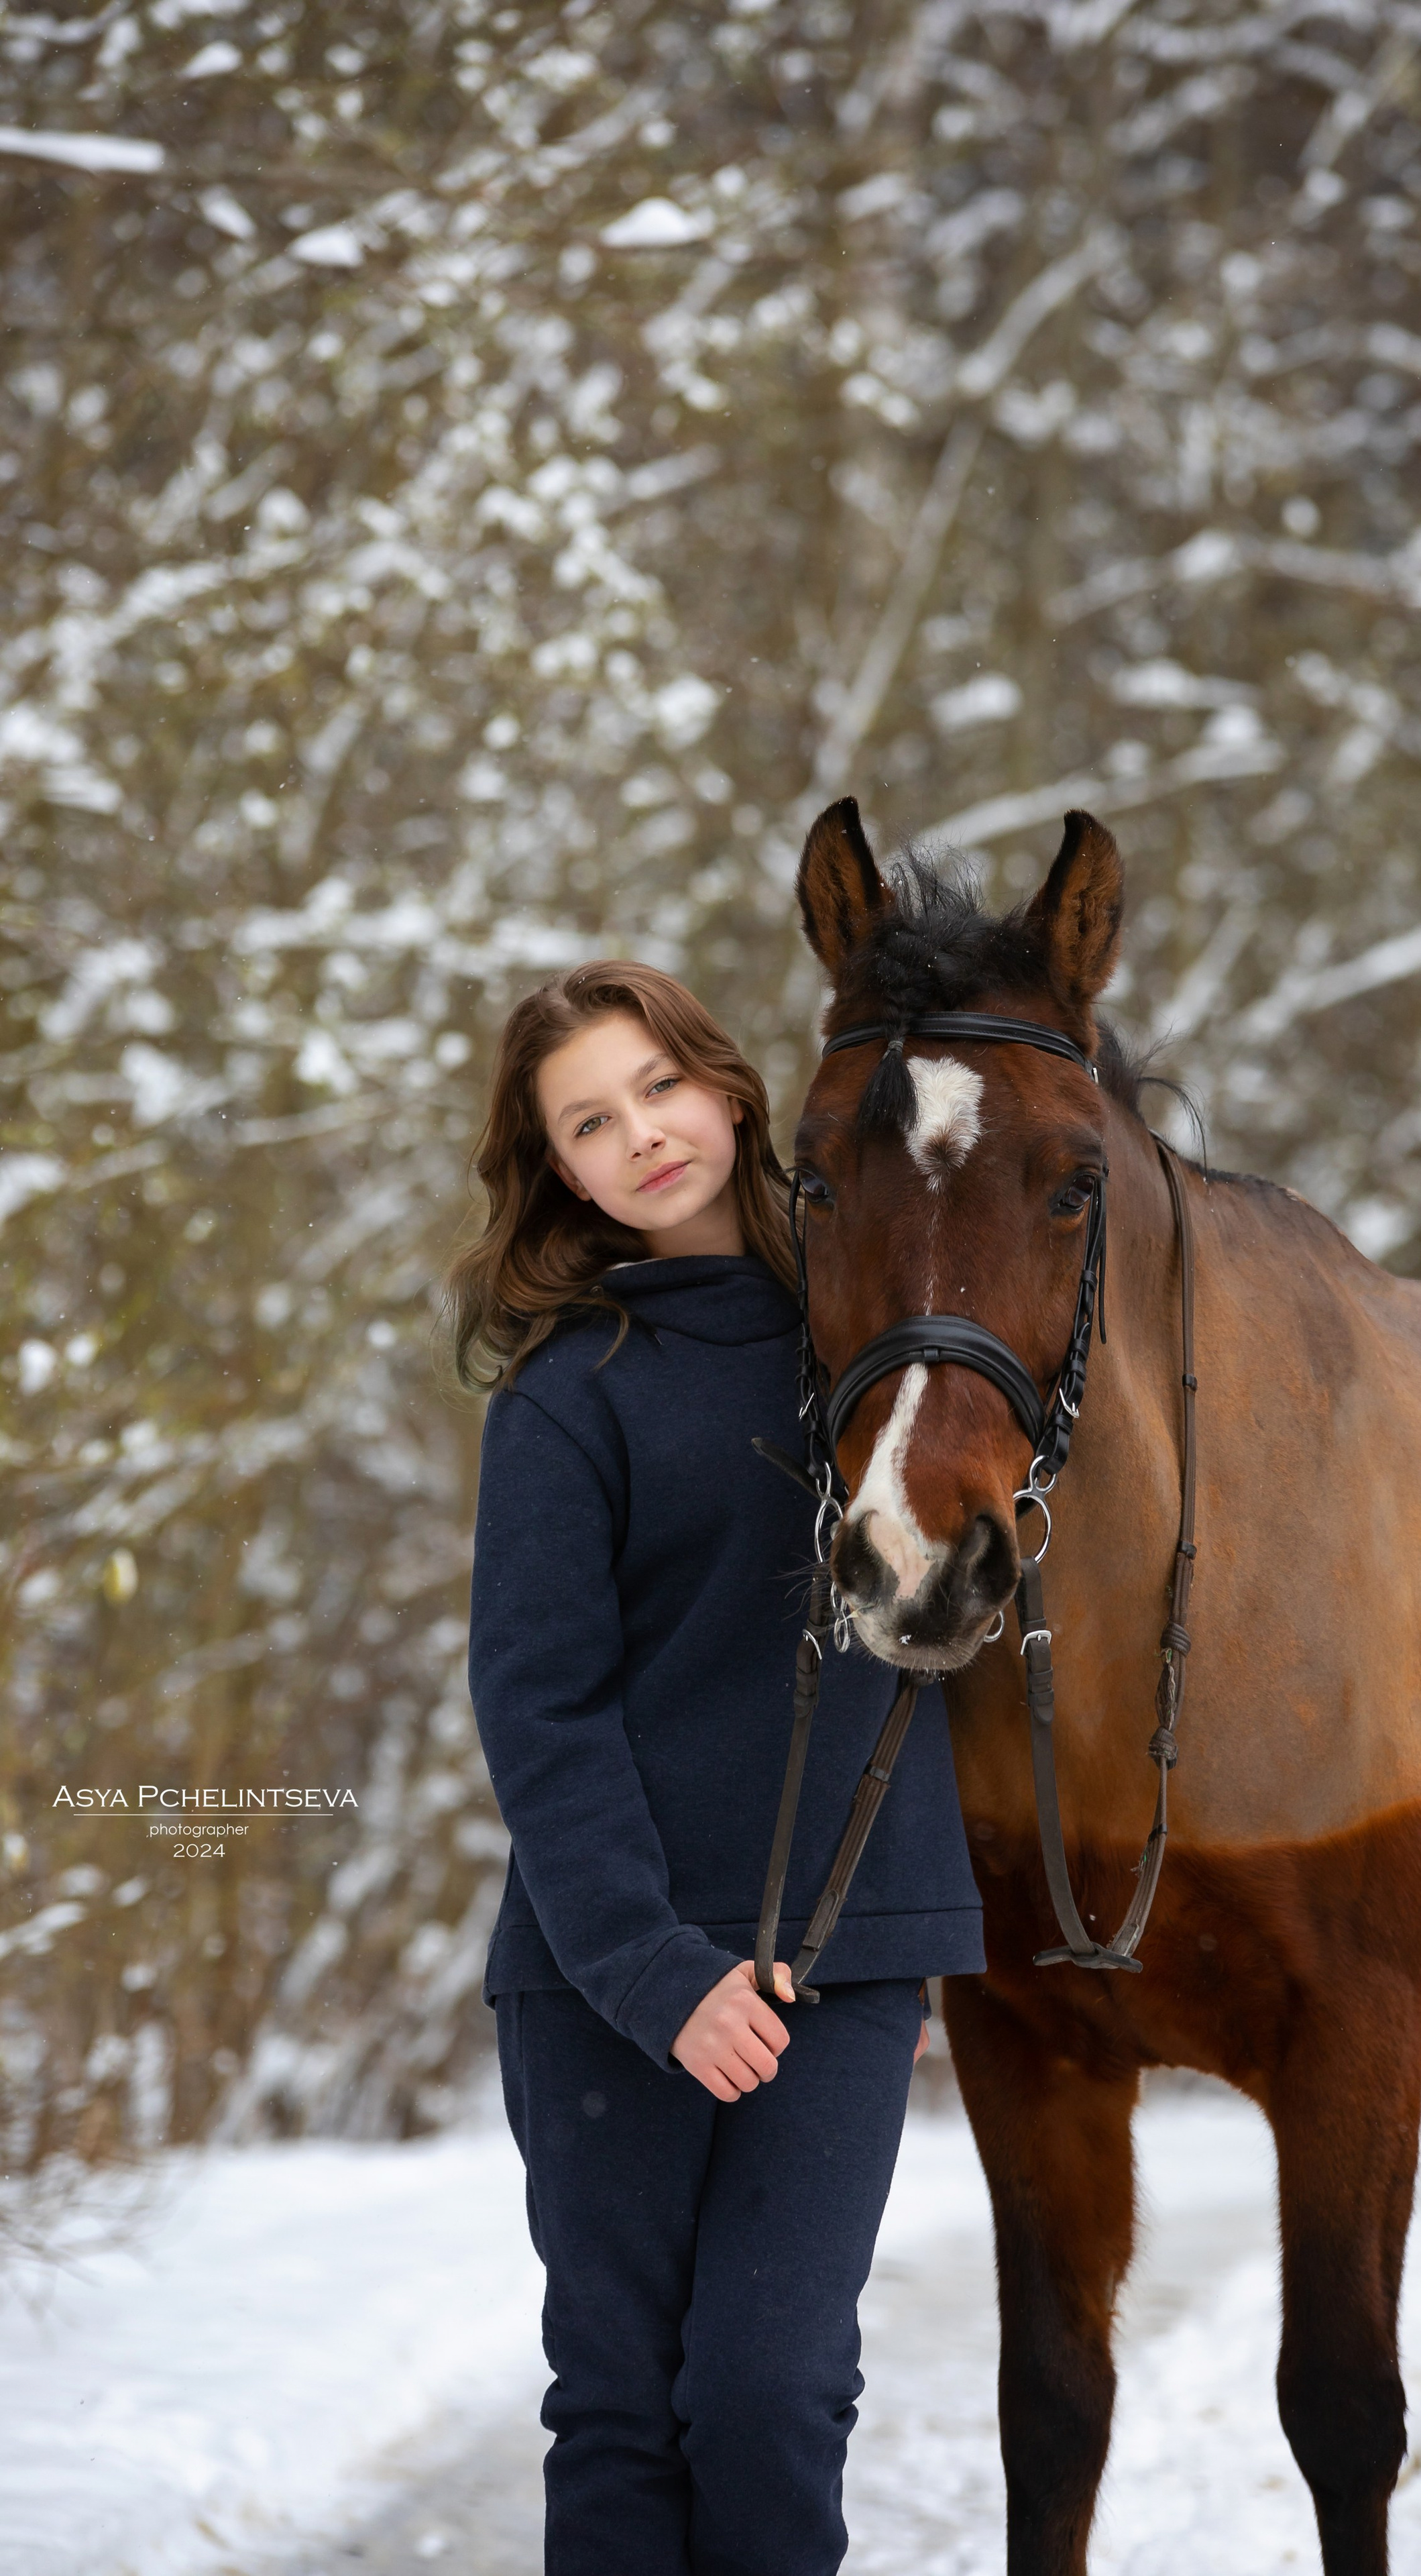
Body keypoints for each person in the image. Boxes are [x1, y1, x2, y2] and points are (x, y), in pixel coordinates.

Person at [444, 960, 985, 2576]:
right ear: (558, 1170)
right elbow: (539, 1709)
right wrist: (657, 1974)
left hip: (844, 1953)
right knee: (621, 2406)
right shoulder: (566, 1397)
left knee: (767, 2392)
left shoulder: (882, 1340)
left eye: (656, 1088)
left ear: (728, 1086)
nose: (640, 1137)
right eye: (587, 1123)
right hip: (614, 1977)